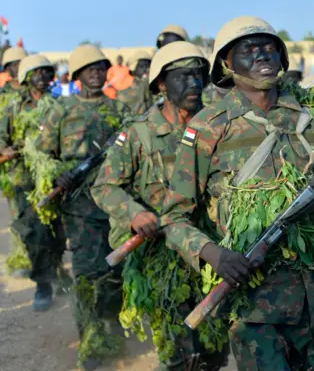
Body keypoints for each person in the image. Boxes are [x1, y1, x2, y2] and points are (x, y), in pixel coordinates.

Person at [160, 16, 314, 370]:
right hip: (254, 306)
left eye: (269, 49)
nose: (262, 56)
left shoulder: (313, 124)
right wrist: (215, 255)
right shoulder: (208, 128)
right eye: (249, 50)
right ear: (227, 65)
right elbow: (173, 218)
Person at [92, 41, 230, 370]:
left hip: (212, 252)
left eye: (198, 76)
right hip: (162, 256)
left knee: (215, 349)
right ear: (162, 85)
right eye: (183, 77)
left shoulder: (217, 126)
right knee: (179, 352)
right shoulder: (139, 134)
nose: (194, 84)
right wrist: (134, 213)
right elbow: (105, 186)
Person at [34, 44, 129, 370]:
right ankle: (89, 337)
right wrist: (57, 173)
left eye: (100, 67)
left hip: (116, 208)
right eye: (89, 68)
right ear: (76, 75)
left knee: (116, 271)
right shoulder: (61, 111)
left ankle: (111, 327)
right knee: (89, 274)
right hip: (80, 208)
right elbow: (42, 154)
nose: (96, 72)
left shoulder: (118, 111)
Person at [0, 55, 66, 310]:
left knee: (57, 235)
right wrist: (9, 151)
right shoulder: (14, 107)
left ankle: (57, 271)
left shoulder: (59, 105)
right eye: (37, 73)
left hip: (54, 181)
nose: (43, 77)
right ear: (26, 78)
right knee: (35, 235)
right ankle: (43, 284)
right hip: (25, 182)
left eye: (46, 72)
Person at [113, 50, 153, 114]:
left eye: (148, 66)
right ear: (133, 69)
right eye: (141, 66)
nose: (146, 69)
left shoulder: (158, 92)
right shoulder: (123, 95)